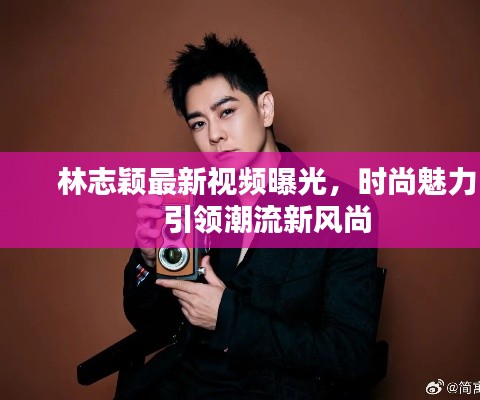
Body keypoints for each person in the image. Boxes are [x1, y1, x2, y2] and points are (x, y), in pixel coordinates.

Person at [120, 34, 379, 400]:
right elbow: (150, 322)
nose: (214, 135)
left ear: (265, 109)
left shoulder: (343, 210)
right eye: (198, 123)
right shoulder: (194, 200)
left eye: (226, 112)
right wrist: (149, 262)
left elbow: (352, 355)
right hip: (185, 382)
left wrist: (231, 318)